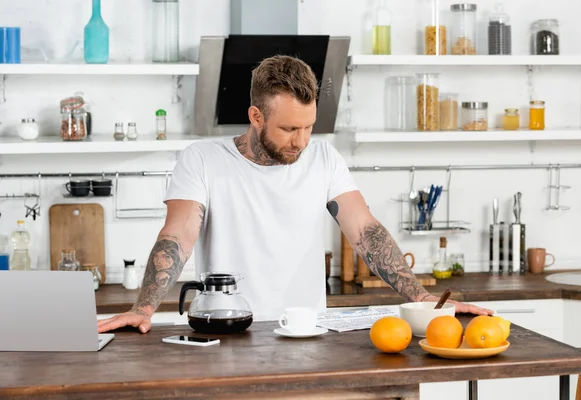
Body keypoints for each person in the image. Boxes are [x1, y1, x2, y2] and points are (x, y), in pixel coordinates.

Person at [98, 55, 491, 334]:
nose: (301, 141)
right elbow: (178, 235)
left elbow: (365, 231)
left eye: (309, 127)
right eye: (289, 129)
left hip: (306, 332)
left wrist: (424, 298)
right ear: (256, 117)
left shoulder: (324, 157)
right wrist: (144, 307)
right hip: (227, 330)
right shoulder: (202, 159)